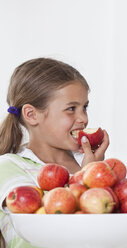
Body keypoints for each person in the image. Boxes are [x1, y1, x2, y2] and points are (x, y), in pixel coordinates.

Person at [0, 58, 109, 247]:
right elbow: (47, 226)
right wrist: (87, 177)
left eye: (85, 107)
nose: (83, 118)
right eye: (71, 109)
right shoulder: (9, 167)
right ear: (32, 115)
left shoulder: (86, 163)